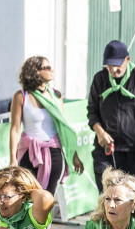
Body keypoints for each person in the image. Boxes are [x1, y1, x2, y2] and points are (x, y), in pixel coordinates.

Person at [87, 40, 135, 190]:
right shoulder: (99, 79)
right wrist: (100, 132)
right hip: (106, 150)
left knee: (134, 197)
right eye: (109, 65)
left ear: (127, 59)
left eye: (117, 65)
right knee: (107, 195)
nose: (113, 69)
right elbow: (92, 111)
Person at [9, 56, 83, 196]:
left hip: (53, 152)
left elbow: (63, 129)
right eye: (47, 68)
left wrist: (74, 156)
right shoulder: (21, 96)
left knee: (47, 197)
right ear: (35, 71)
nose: (51, 70)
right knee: (26, 196)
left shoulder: (56, 95)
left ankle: (44, 219)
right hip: (29, 152)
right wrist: (13, 158)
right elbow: (15, 129)